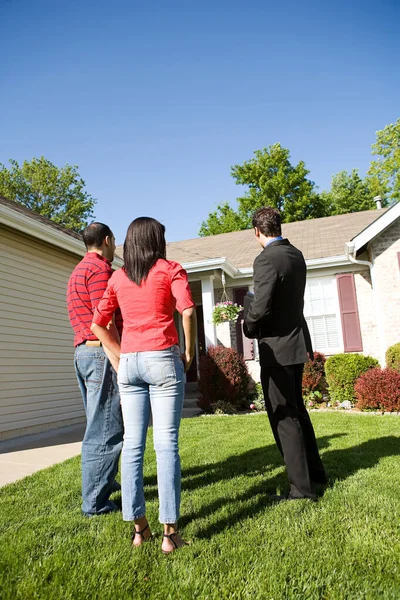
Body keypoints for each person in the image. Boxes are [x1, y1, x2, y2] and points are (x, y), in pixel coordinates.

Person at [91, 217, 196, 554]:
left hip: (132, 363)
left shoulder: (119, 277)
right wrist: (189, 354)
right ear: (156, 240)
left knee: (133, 445)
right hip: (163, 358)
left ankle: (140, 530)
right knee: (166, 445)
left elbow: (98, 324)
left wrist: (121, 356)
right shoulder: (170, 269)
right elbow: (189, 312)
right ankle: (170, 535)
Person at [244, 207, 326, 500]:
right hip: (296, 344)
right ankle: (316, 473)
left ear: (257, 231)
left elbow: (262, 306)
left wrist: (248, 324)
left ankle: (301, 489)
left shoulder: (266, 259)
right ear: (278, 227)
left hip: (277, 350)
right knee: (298, 411)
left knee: (282, 416)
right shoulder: (296, 255)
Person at [67, 222, 124, 516]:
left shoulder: (78, 270)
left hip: (82, 354)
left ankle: (105, 481)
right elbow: (105, 320)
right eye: (114, 242)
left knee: (98, 424)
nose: (115, 248)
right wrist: (117, 356)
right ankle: (96, 504)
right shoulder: (100, 270)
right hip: (100, 354)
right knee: (105, 431)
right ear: (107, 240)